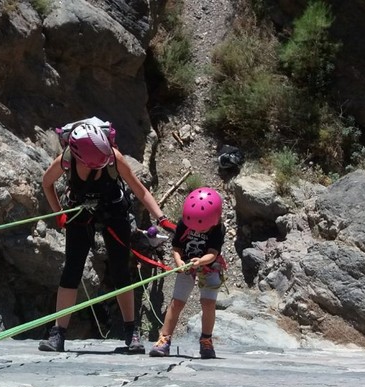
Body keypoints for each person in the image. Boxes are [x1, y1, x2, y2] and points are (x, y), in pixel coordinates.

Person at [38, 120, 171, 353]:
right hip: (81, 211)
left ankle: (131, 332)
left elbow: (139, 190)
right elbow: (47, 183)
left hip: (114, 210)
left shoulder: (113, 158)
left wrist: (160, 218)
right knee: (72, 269)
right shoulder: (67, 159)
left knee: (120, 270)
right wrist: (58, 213)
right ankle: (58, 333)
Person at [149, 187, 226, 359]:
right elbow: (176, 247)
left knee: (208, 303)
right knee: (177, 302)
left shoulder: (218, 229)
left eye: (202, 229)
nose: (198, 231)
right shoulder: (184, 223)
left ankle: (206, 341)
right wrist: (178, 261)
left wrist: (200, 261)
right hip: (186, 265)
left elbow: (213, 253)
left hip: (209, 266)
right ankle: (164, 339)